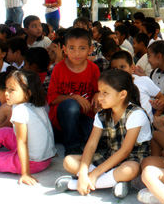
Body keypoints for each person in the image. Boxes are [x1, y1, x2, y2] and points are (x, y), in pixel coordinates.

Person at [55, 69, 151, 199]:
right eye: (99, 92)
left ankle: (75, 183)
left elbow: (125, 151)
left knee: (130, 169)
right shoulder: (101, 114)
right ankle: (111, 181)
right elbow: (91, 145)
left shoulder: (135, 114)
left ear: (122, 94)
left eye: (105, 93)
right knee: (68, 161)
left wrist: (94, 173)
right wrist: (83, 172)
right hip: (108, 155)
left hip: (131, 159)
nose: (100, 97)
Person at [47, 28, 100, 156]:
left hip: (85, 115)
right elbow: (53, 99)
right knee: (71, 105)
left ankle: (73, 136)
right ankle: (72, 146)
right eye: (72, 48)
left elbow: (99, 91)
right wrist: (75, 97)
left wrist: (98, 94)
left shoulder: (93, 69)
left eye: (82, 48)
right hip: (63, 117)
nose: (77, 53)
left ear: (90, 49)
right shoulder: (58, 68)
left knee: (94, 141)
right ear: (64, 50)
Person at [110, 50, 164, 122]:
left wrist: (156, 111)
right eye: (114, 68)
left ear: (132, 68)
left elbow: (161, 96)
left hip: (145, 125)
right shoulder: (111, 87)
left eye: (122, 67)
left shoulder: (144, 81)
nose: (119, 71)